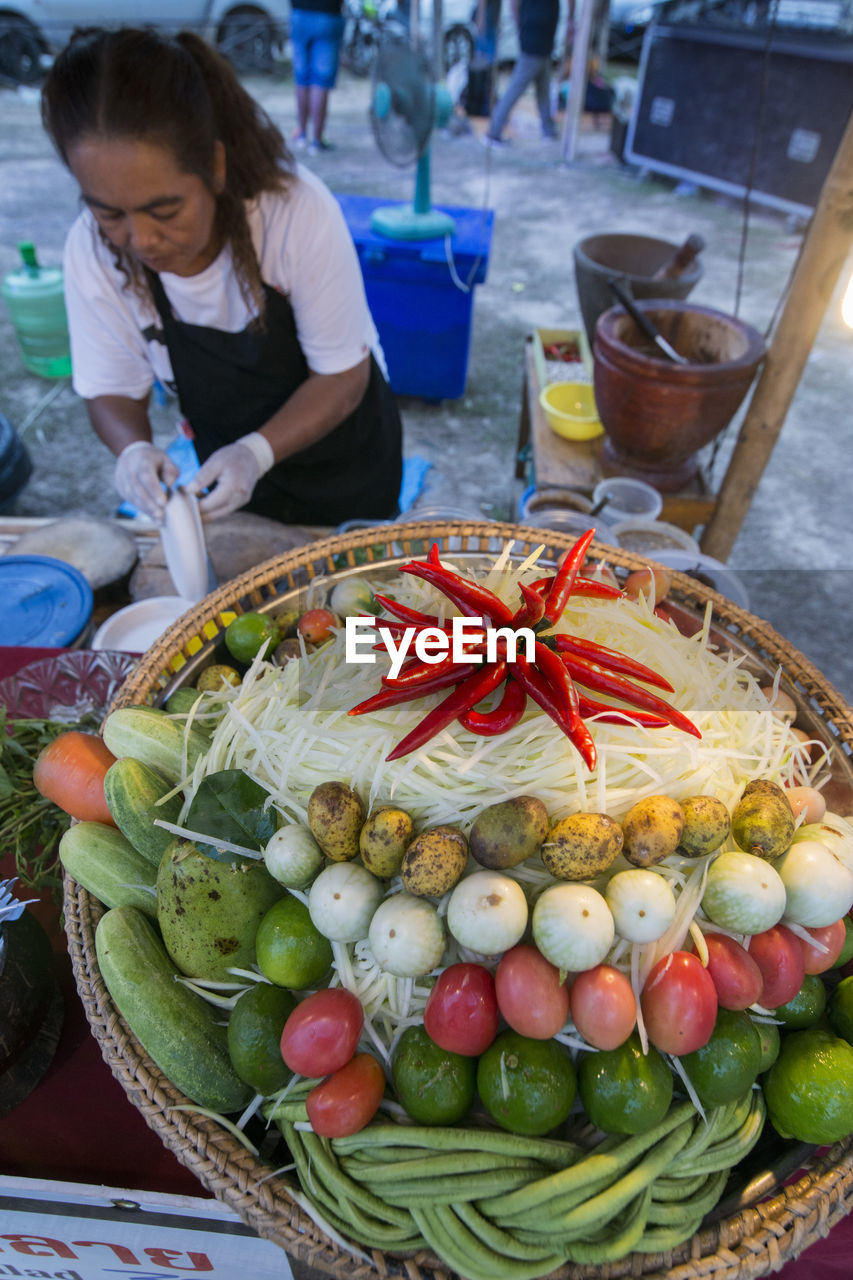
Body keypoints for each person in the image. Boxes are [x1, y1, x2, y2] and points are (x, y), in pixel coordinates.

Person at [40, 26, 402, 527]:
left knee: (360, 606)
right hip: (231, 487)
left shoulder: (293, 212)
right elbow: (111, 387)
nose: (140, 240)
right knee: (261, 602)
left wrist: (253, 453)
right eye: (109, 214)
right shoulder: (92, 250)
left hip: (346, 463)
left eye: (164, 211)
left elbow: (342, 377)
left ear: (214, 166)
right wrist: (133, 452)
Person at [484, 0, 574, 145]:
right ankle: (493, 132)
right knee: (517, 87)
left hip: (542, 35)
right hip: (534, 36)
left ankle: (548, 129)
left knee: (543, 83)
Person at [289, 0, 346, 153]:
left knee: (301, 78)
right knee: (320, 81)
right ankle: (316, 140)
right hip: (328, 14)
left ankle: (301, 134)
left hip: (300, 13)